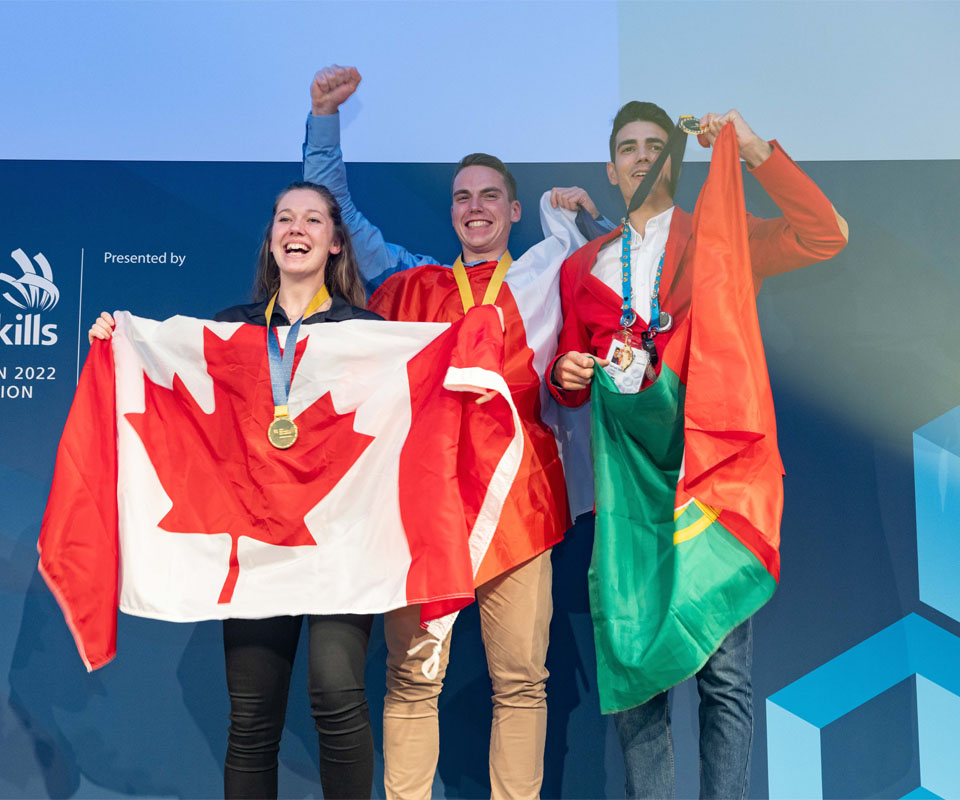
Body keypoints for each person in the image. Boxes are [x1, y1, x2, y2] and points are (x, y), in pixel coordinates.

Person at [303, 64, 594, 800]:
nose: (474, 207)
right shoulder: (412, 285)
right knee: (411, 678)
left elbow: (630, 273)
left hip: (519, 505)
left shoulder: (546, 271)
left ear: (514, 209)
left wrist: (583, 219)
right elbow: (333, 209)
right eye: (462, 196)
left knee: (522, 682)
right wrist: (322, 122)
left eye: (489, 195)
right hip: (426, 508)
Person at [547, 103, 849, 799]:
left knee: (724, 677)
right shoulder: (582, 268)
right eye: (629, 148)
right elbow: (570, 370)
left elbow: (826, 235)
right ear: (611, 166)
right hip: (631, 488)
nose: (643, 158)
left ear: (675, 162)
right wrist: (566, 374)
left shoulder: (722, 237)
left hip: (714, 475)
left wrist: (750, 150)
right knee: (637, 670)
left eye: (657, 146)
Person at [88, 181, 381, 800]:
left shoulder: (369, 333)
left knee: (336, 694)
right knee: (251, 720)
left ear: (334, 243)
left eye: (311, 220)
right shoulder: (228, 330)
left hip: (338, 540)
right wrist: (118, 344)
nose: (295, 229)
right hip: (252, 543)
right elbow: (177, 397)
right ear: (272, 239)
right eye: (283, 218)